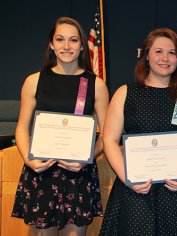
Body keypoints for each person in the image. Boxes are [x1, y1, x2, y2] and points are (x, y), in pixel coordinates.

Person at [99, 28, 177, 235]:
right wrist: (127, 179)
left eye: (172, 52)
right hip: (136, 190)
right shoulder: (125, 93)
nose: (165, 58)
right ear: (146, 55)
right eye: (158, 51)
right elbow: (109, 140)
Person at [11, 17, 109, 235]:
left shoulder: (96, 84)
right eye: (60, 39)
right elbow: (21, 127)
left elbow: (108, 136)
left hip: (78, 175)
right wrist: (29, 160)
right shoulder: (34, 81)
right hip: (41, 172)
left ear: (83, 45)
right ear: (51, 44)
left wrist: (87, 159)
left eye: (73, 40)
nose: (66, 46)